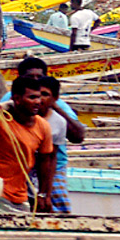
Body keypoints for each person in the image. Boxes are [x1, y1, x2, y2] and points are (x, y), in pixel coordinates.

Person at [0, 76, 55, 213]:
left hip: (19, 193)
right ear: (17, 99)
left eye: (38, 97)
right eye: (32, 98)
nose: (38, 102)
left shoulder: (43, 126)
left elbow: (45, 161)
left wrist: (44, 194)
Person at [36, 75, 85, 212]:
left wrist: (45, 193)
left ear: (55, 98)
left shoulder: (58, 121)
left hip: (51, 168)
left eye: (45, 95)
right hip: (27, 168)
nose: (39, 99)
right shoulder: (22, 113)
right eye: (37, 95)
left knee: (62, 209)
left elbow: (51, 158)